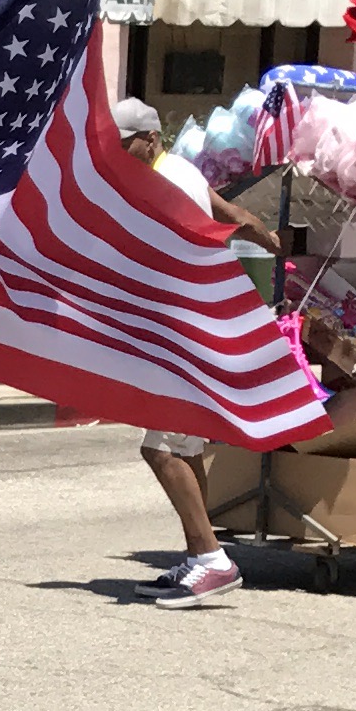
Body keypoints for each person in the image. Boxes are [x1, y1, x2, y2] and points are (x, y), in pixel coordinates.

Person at [116, 99, 242, 606]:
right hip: (190, 324)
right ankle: (198, 557)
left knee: (160, 448)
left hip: (181, 328)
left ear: (151, 139)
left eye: (124, 144)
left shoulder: (166, 182)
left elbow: (168, 255)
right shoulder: (177, 173)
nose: (117, 154)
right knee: (186, 448)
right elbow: (229, 215)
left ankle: (213, 559)